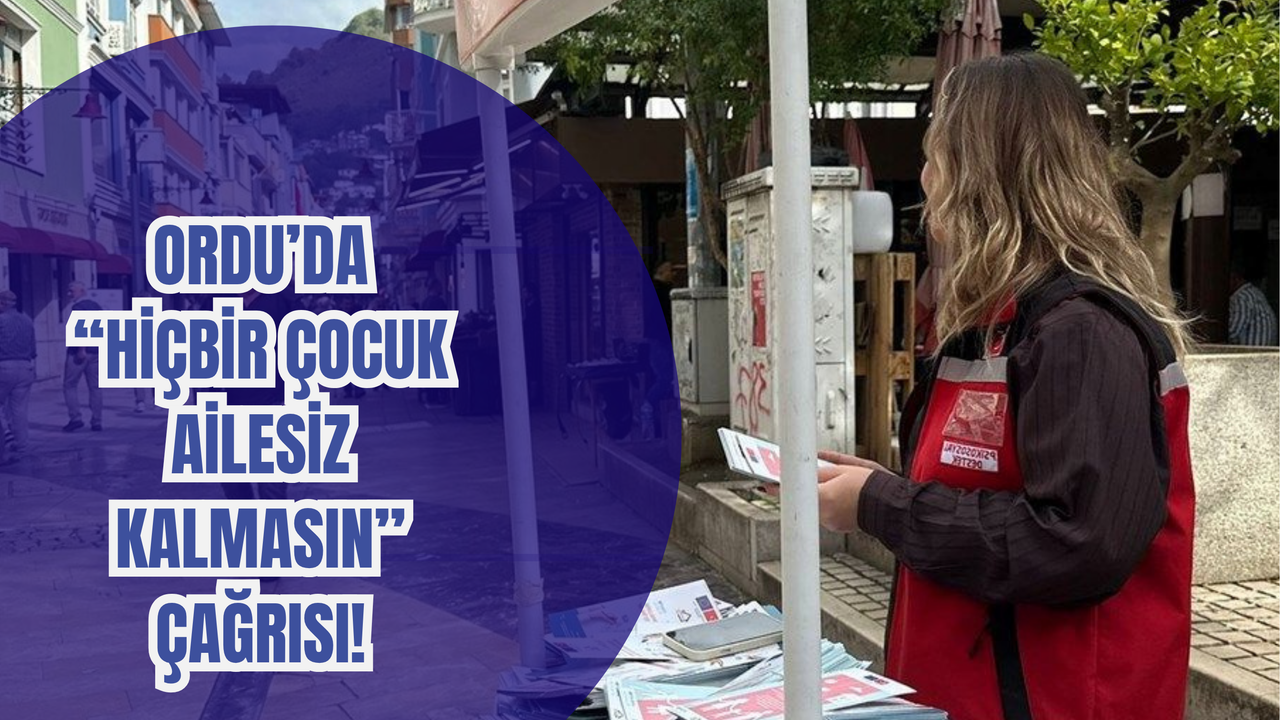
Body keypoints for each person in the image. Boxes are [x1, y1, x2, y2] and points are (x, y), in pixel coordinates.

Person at [810, 55, 1195, 720]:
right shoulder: (999, 323)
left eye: (936, 155)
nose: (925, 180)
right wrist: (883, 486)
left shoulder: (1082, 333)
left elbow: (1076, 542)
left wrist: (883, 505)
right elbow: (989, 492)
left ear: (982, 171)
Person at [61, 281, 103, 432]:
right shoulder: (97, 307)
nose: (69, 294)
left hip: (79, 352)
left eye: (72, 291)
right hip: (96, 351)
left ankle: (75, 418)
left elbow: (80, 328)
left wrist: (81, 349)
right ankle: (97, 421)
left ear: (82, 291)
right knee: (95, 387)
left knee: (69, 385)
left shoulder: (78, 307)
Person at [0, 290, 36, 463]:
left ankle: (5, 436)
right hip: (25, 367)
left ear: (2, 304)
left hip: (4, 367)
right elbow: (33, 349)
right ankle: (22, 446)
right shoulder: (27, 320)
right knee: (19, 410)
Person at [1228, 250, 1278, 346]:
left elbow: (1232, 331)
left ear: (1234, 278)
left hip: (1252, 352)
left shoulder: (1242, 298)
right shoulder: (1254, 293)